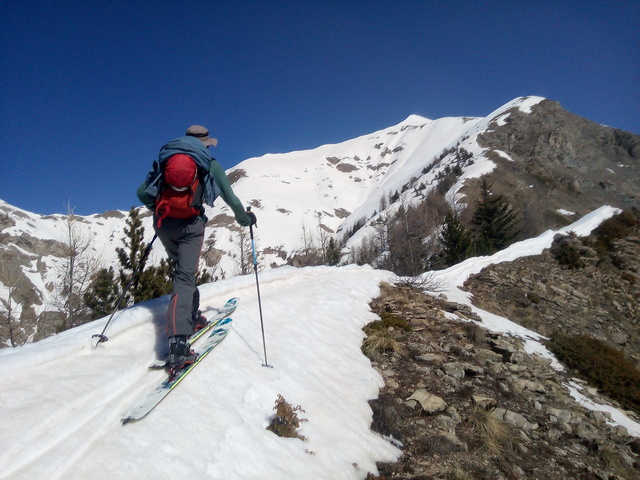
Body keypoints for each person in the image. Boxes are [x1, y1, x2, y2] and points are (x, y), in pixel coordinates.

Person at [137, 125, 255, 369]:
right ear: (206, 143)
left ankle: (191, 314)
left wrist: (158, 206)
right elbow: (230, 198)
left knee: (182, 272)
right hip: (191, 225)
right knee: (184, 275)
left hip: (164, 223)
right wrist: (245, 219)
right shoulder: (209, 163)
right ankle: (178, 344)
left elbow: (142, 192)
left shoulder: (166, 158)